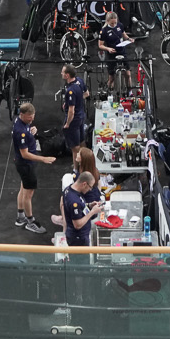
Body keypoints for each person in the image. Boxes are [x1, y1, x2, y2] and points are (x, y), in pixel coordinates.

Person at [10, 102, 54, 233]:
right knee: (28, 194)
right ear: (22, 114)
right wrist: (43, 159)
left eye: (33, 116)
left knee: (23, 189)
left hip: (21, 164)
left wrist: (31, 131)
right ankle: (30, 221)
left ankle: (20, 217)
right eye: (29, 117)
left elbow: (26, 131)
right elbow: (25, 154)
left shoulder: (21, 123)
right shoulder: (20, 132)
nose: (32, 119)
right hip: (25, 165)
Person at [61, 170, 101, 247]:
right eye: (90, 187)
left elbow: (80, 207)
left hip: (79, 236)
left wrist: (89, 205)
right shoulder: (74, 202)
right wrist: (92, 212)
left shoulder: (69, 189)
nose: (90, 190)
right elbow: (77, 225)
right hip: (78, 239)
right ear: (84, 184)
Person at [60, 64, 89, 152]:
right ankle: (85, 161)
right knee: (81, 140)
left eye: (62, 72)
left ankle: (76, 166)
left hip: (74, 120)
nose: (61, 73)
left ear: (67, 75)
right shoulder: (79, 80)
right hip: (81, 116)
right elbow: (87, 93)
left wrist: (67, 124)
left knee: (75, 146)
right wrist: (71, 101)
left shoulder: (70, 90)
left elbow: (71, 112)